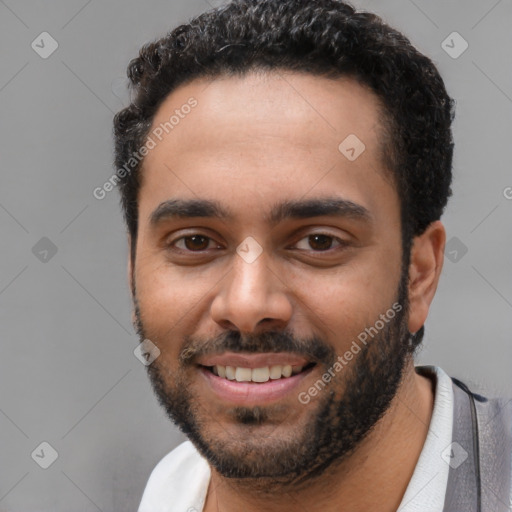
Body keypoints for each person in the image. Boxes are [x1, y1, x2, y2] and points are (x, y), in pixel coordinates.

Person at [112, 1, 512, 510]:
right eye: (195, 242)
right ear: (133, 270)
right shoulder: (165, 490)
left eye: (318, 242)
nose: (248, 304)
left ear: (418, 275)